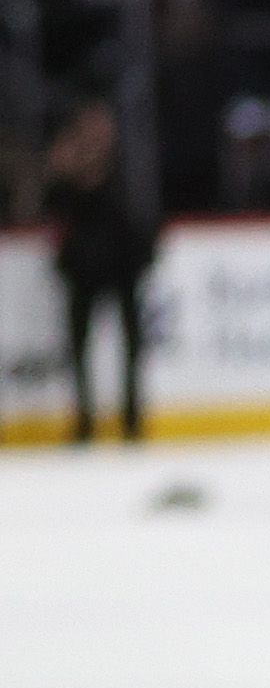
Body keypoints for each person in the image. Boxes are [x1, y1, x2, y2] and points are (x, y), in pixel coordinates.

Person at [46, 103, 154, 444]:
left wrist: (144, 256)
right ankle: (84, 421)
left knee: (132, 345)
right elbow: (52, 208)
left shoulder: (127, 165)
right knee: (78, 347)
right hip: (83, 270)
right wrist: (63, 173)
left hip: (124, 267)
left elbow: (142, 212)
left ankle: (132, 421)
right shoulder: (70, 169)